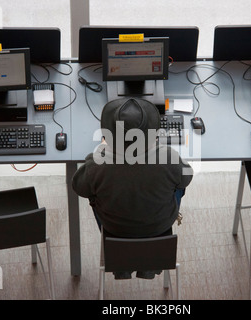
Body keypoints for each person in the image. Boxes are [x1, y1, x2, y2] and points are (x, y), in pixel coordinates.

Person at [72, 98, 193, 278]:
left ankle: (124, 265)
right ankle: (149, 264)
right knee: (177, 186)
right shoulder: (167, 157)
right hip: (159, 228)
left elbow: (79, 187)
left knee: (94, 191)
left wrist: (101, 149)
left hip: (115, 232)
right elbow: (187, 178)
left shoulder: (97, 164)